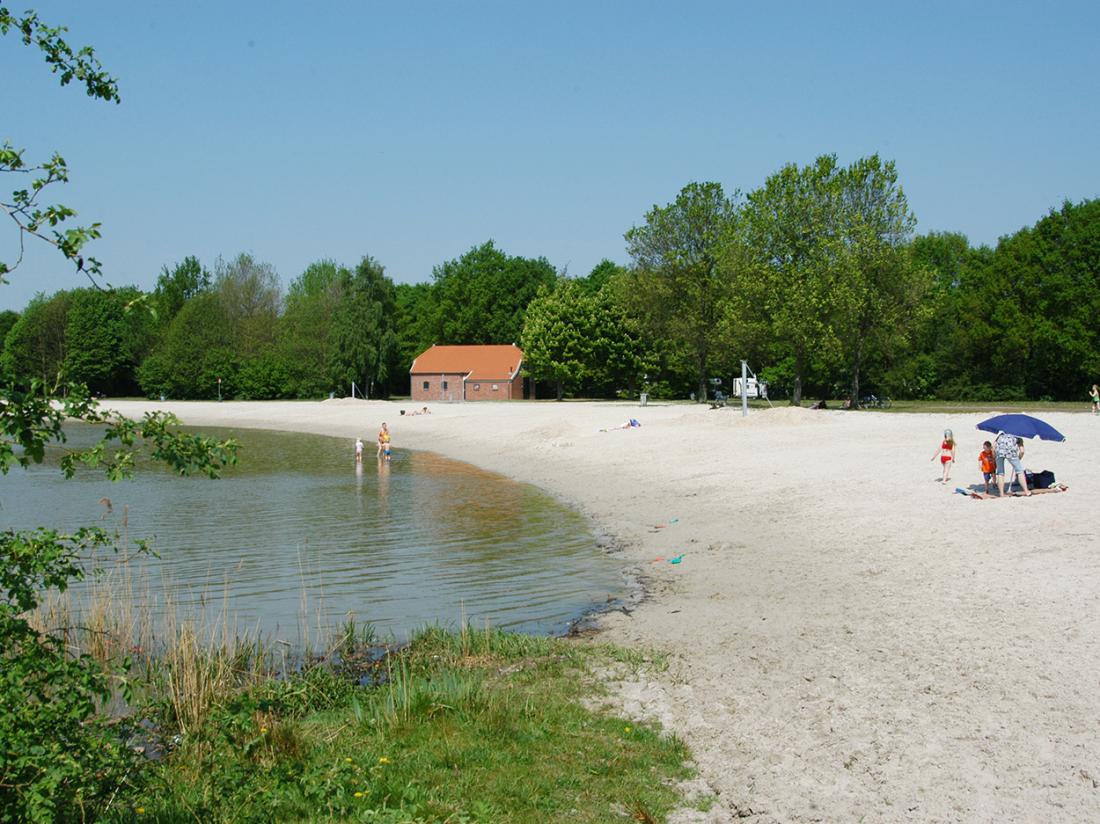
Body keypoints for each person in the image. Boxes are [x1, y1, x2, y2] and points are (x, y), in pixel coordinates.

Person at [994, 430, 1030, 497]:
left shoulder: (1001, 434)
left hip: (999, 452)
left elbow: (994, 446)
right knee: (1019, 471)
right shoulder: (1018, 437)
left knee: (1000, 473)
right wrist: (1019, 458)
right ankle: (1026, 491)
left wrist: (994, 457)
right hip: (1011, 453)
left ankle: (1001, 493)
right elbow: (1022, 451)